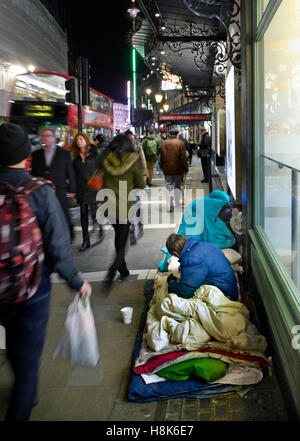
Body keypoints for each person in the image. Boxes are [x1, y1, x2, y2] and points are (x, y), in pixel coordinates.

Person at [0, 123, 91, 421]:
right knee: (27, 363)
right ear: (26, 154)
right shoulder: (38, 191)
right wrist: (77, 282)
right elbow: (59, 245)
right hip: (32, 287)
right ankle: (26, 392)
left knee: (14, 343)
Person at [101, 134, 145, 291]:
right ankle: (112, 270)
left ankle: (123, 270)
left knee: (118, 235)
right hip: (125, 206)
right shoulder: (133, 159)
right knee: (123, 241)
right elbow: (140, 184)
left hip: (108, 204)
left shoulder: (106, 157)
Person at [31, 128, 76, 241]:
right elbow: (33, 174)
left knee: (63, 213)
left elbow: (70, 172)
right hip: (43, 191)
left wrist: (72, 189)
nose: (46, 138)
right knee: (46, 214)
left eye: (48, 135)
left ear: (54, 138)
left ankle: (69, 235)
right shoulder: (36, 154)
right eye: (44, 136)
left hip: (60, 189)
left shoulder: (64, 153)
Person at [166, 233, 238, 301]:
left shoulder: (192, 259)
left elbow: (184, 292)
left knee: (172, 303)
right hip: (230, 287)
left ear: (175, 253)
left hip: (225, 295)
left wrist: (172, 284)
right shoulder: (204, 245)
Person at [71, 132, 104, 252]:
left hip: (94, 189)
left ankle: (100, 228)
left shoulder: (95, 154)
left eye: (81, 139)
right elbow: (73, 176)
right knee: (83, 215)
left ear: (86, 140)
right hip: (82, 190)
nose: (78, 141)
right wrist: (73, 191)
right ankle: (86, 240)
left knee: (94, 214)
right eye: (77, 140)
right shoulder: (75, 158)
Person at [160, 129, 189, 212]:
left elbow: (161, 157)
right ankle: (176, 202)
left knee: (169, 186)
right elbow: (183, 158)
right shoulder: (180, 143)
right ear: (177, 135)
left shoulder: (164, 143)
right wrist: (185, 168)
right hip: (178, 169)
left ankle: (170, 204)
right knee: (177, 186)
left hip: (167, 169)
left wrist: (162, 167)